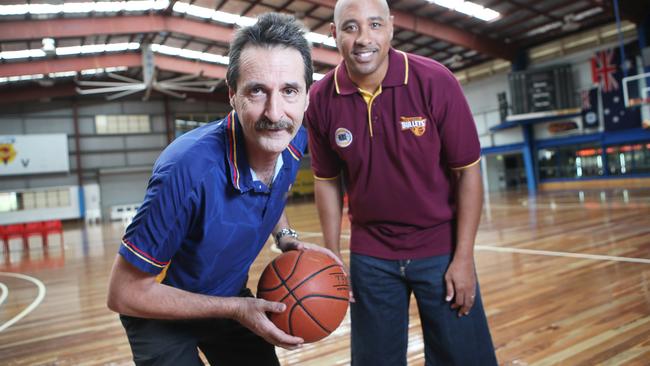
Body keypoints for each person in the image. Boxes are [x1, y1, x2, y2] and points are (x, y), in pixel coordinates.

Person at [107, 13, 341, 366]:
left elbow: (271, 191)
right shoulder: (186, 170)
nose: (275, 112)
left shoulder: (292, 141)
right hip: (159, 311)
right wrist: (234, 308)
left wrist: (287, 237)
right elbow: (123, 293)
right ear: (232, 95)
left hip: (228, 298)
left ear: (307, 97)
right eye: (257, 91)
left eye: (290, 91)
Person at [305, 0, 498, 365]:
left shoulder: (435, 81)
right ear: (334, 34)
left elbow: (467, 171)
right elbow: (327, 180)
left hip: (441, 249)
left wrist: (464, 257)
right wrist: (333, 257)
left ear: (391, 28)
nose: (364, 38)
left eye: (375, 25)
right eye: (350, 27)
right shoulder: (320, 99)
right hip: (371, 257)